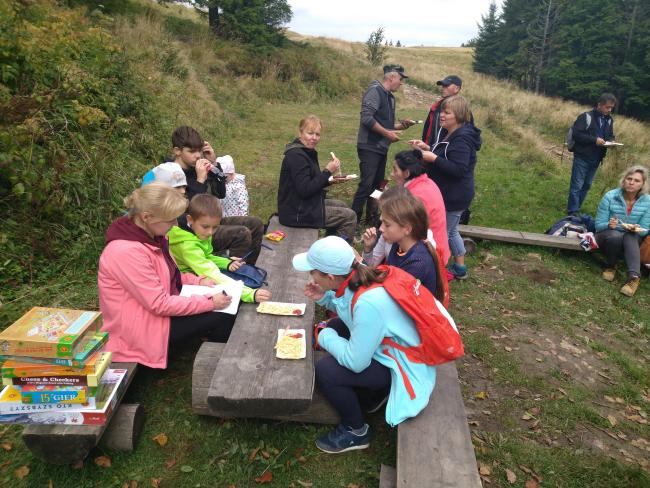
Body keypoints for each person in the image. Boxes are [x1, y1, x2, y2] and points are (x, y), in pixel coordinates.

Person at [293, 236, 449, 453]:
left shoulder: (369, 303)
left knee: (326, 370)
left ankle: (355, 430)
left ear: (330, 276)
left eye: (313, 272)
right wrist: (324, 298)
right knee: (337, 325)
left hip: (402, 366)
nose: (311, 276)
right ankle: (373, 395)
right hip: (389, 348)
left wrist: (325, 337)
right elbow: (349, 308)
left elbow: (355, 362)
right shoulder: (359, 275)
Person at [98, 183, 236, 369]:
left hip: (154, 316)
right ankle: (213, 367)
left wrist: (198, 281)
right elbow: (159, 304)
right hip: (141, 330)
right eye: (170, 220)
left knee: (228, 305)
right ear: (147, 217)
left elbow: (169, 275)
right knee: (224, 314)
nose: (175, 225)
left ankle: (203, 346)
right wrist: (210, 302)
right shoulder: (126, 252)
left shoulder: (153, 237)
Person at [410, 95, 481, 280]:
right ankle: (460, 267)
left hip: (454, 195)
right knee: (452, 230)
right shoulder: (448, 132)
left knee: (443, 233)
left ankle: (437, 270)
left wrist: (433, 158)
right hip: (447, 192)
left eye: (447, 112)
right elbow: (445, 154)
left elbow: (459, 169)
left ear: (458, 115)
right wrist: (427, 148)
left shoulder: (462, 139)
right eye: (442, 111)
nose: (441, 115)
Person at [170, 126, 264, 264]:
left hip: (210, 220)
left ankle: (248, 269)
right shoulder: (171, 173)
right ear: (177, 151)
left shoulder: (196, 166)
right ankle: (221, 266)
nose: (198, 155)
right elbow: (184, 211)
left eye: (199, 150)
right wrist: (200, 181)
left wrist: (214, 164)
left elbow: (220, 193)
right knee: (241, 234)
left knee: (255, 224)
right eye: (192, 151)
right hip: (192, 229)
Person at [168, 194, 271, 303]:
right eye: (205, 227)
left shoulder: (197, 231)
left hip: (199, 270)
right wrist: (248, 294)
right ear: (190, 219)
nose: (210, 232)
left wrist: (226, 263)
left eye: (215, 227)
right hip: (187, 282)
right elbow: (211, 273)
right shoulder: (187, 246)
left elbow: (206, 256)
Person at [352, 64, 415, 227]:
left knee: (378, 185)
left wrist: (403, 125)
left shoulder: (390, 98)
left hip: (381, 147)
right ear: (392, 77)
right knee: (366, 185)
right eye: (400, 79)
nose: (401, 83)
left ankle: (371, 218)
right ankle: (353, 221)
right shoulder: (374, 91)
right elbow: (366, 118)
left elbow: (386, 125)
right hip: (369, 146)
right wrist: (387, 134)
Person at [277, 115, 357, 241]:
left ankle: (329, 244)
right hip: (296, 213)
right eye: (310, 133)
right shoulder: (297, 156)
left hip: (302, 205)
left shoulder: (305, 152)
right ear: (300, 133)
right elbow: (305, 190)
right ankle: (338, 251)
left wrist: (330, 180)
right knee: (349, 216)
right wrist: (327, 171)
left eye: (317, 134)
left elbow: (312, 182)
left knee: (341, 205)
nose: (314, 138)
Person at [361, 186, 445, 304]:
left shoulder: (417, 263)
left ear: (407, 229)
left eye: (387, 224)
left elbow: (393, 300)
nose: (381, 229)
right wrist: (367, 250)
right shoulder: (398, 244)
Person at [594, 165, 650, 297]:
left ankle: (634, 277)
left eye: (636, 180)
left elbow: (644, 230)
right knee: (616, 235)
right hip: (608, 234)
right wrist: (609, 224)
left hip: (632, 238)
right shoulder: (610, 196)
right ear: (624, 180)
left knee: (630, 235)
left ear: (642, 184)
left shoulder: (648, 201)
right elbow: (598, 226)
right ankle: (610, 266)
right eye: (629, 178)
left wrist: (634, 228)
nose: (631, 182)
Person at [567, 93, 617, 216]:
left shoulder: (609, 120)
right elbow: (577, 135)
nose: (609, 110)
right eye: (607, 107)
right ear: (599, 105)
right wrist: (594, 140)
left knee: (587, 185)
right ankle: (573, 211)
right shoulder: (586, 117)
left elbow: (610, 135)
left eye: (611, 108)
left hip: (597, 158)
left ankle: (576, 207)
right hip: (582, 156)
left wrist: (611, 141)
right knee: (577, 185)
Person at [421, 75, 462, 148]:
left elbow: (465, 133)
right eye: (442, 86)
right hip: (429, 148)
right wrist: (425, 144)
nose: (443, 88)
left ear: (457, 89)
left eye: (446, 86)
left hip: (444, 151)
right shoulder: (437, 105)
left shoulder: (461, 109)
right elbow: (428, 128)